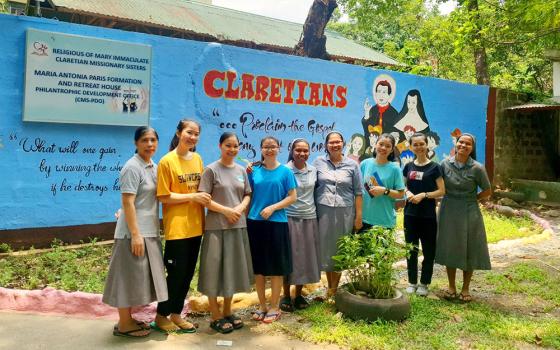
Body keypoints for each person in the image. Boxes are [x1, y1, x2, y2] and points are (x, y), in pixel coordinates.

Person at [103, 126, 167, 338]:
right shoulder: (132, 167)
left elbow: (140, 199)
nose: (149, 144)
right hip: (133, 233)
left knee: (136, 277)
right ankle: (123, 324)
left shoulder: (152, 166)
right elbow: (127, 201)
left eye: (153, 140)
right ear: (136, 143)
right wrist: (135, 234)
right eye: (144, 140)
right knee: (126, 277)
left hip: (148, 231)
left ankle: (128, 319)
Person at [152, 119, 211, 333]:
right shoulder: (167, 161)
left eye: (196, 134)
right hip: (177, 228)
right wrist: (193, 196)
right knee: (175, 274)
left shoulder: (198, 159)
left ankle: (176, 314)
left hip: (197, 225)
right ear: (178, 133)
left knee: (187, 274)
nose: (192, 137)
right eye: (189, 132)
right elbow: (163, 196)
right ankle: (160, 315)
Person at [197, 132, 253, 334]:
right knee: (214, 270)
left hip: (238, 226)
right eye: (228, 145)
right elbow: (204, 198)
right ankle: (215, 314)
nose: (232, 149)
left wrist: (239, 209)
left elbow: (247, 194)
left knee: (232, 269)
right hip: (217, 227)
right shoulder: (211, 170)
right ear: (220, 146)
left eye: (235, 146)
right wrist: (226, 211)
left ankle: (228, 310)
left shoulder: (241, 170)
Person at [435, 133, 492, 303]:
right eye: (461, 142)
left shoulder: (477, 168)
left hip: (469, 210)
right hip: (448, 208)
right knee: (450, 246)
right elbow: (437, 185)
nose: (463, 146)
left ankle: (465, 288)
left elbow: (487, 191)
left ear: (472, 148)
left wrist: (473, 199)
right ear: (456, 143)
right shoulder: (444, 164)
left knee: (470, 247)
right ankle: (451, 286)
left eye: (468, 144)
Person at [247, 136, 297, 323]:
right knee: (259, 269)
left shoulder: (285, 172)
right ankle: (262, 306)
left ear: (279, 148)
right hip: (255, 222)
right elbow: (248, 194)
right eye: (266, 147)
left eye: (273, 146)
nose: (269, 150)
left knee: (276, 268)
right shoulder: (254, 171)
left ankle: (275, 307)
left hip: (277, 223)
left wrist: (273, 207)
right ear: (261, 149)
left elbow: (292, 197)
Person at [313, 131, 363, 298]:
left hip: (345, 211)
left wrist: (358, 216)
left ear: (343, 143)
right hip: (324, 210)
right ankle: (330, 289)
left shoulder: (352, 165)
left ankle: (334, 290)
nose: (335, 145)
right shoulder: (318, 162)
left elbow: (358, 192)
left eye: (338, 142)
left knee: (340, 247)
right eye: (331, 142)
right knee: (327, 249)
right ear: (326, 145)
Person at [279, 139, 321, 312]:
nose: (302, 154)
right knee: (289, 257)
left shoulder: (314, 170)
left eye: (305, 150)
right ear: (291, 150)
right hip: (289, 217)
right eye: (298, 150)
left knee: (304, 257)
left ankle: (299, 294)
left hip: (309, 217)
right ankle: (286, 295)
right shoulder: (284, 170)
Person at [402, 133, 445, 297]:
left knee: (428, 250)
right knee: (411, 249)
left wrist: (424, 195)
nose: (419, 147)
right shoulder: (408, 166)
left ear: (427, 145)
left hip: (427, 216)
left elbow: (442, 190)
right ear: (411, 147)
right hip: (410, 214)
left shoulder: (435, 167)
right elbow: (402, 186)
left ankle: (424, 283)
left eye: (422, 144)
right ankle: (412, 282)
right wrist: (408, 193)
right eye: (415, 144)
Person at [360, 133, 405, 230]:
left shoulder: (395, 169)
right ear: (376, 144)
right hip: (364, 219)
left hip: (384, 222)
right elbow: (358, 190)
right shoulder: (365, 164)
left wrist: (385, 191)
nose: (383, 148)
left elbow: (401, 194)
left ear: (392, 149)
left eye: (388, 146)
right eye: (381, 144)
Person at [362, 80, 400, 148]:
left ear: (389, 95)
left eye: (384, 92)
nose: (381, 95)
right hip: (370, 146)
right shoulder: (372, 109)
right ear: (375, 94)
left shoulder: (394, 113)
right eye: (379, 92)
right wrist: (367, 113)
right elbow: (366, 130)